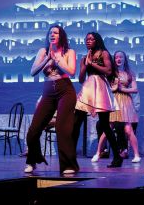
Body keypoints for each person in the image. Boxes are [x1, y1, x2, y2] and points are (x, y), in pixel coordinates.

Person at [25, 25, 77, 174]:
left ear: (61, 36)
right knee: (34, 129)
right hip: (48, 92)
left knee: (62, 128)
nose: (52, 35)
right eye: (50, 33)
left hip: (65, 90)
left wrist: (58, 59)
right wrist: (47, 59)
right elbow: (33, 72)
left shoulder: (69, 52)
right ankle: (32, 160)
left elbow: (72, 72)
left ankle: (68, 165)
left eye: (55, 32)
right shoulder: (43, 51)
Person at [73, 32, 122, 168]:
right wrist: (84, 65)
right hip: (88, 88)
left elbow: (108, 71)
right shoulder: (84, 57)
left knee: (105, 125)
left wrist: (92, 64)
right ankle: (70, 157)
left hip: (100, 87)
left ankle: (117, 157)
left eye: (91, 39)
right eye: (86, 39)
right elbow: (81, 79)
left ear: (97, 40)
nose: (88, 41)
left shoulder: (103, 53)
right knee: (76, 122)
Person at [91, 51, 141, 163]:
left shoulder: (129, 73)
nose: (118, 59)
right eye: (116, 57)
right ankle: (98, 153)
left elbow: (135, 89)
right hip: (113, 101)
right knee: (107, 128)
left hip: (125, 101)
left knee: (128, 130)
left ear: (124, 59)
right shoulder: (110, 72)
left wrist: (122, 89)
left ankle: (137, 155)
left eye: (121, 57)